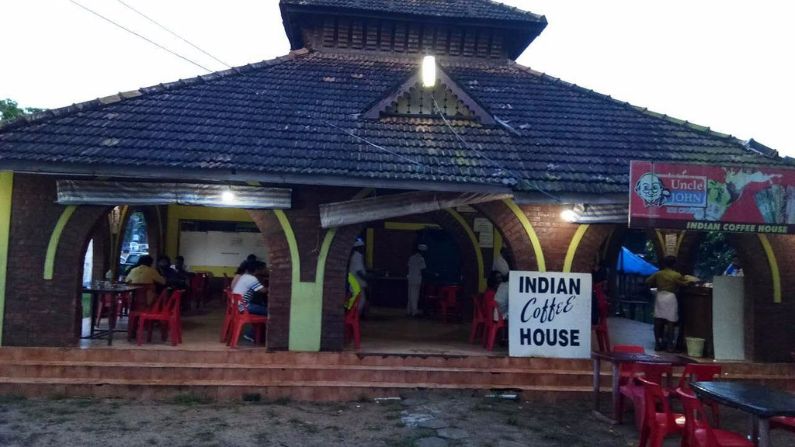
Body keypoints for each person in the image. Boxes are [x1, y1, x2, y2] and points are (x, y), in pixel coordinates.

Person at [645, 256, 693, 352]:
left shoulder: (658, 274)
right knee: (671, 322)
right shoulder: (676, 275)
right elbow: (684, 284)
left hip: (660, 297)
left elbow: (647, 281)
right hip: (670, 297)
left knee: (658, 321)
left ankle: (657, 344)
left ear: (664, 263)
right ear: (674, 264)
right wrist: (691, 280)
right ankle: (670, 346)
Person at [232, 260, 267, 342]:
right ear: (257, 269)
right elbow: (263, 291)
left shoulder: (245, 276)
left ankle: (257, 334)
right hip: (244, 306)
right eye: (263, 268)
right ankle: (252, 334)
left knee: (261, 308)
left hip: (238, 305)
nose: (265, 270)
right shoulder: (251, 278)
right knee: (270, 311)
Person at [406, 245, 427, 316]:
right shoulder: (421, 259)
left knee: (410, 295)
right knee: (415, 296)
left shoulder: (411, 258)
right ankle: (414, 312)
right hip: (417, 279)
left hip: (410, 278)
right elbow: (423, 270)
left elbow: (408, 267)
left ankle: (409, 310)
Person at [348, 238, 368, 314]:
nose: (364, 249)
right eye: (362, 247)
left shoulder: (355, 256)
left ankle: (353, 316)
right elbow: (359, 271)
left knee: (357, 300)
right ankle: (353, 316)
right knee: (360, 300)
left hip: (354, 282)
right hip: (356, 282)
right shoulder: (357, 256)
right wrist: (367, 278)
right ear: (359, 248)